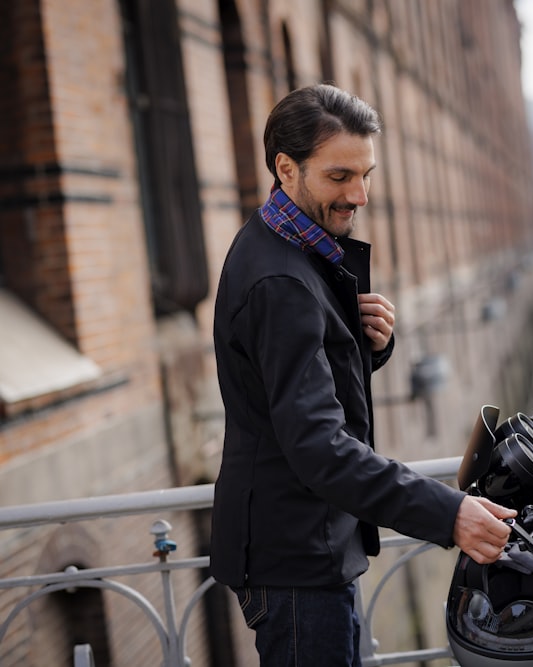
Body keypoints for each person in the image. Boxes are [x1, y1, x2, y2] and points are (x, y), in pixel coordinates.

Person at [210, 83, 516, 666]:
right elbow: (318, 444)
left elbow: (291, 389)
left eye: (366, 175)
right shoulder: (281, 279)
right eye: (339, 177)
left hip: (307, 545)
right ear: (286, 168)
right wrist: (447, 513)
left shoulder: (290, 248)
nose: (359, 195)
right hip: (295, 561)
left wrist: (362, 343)